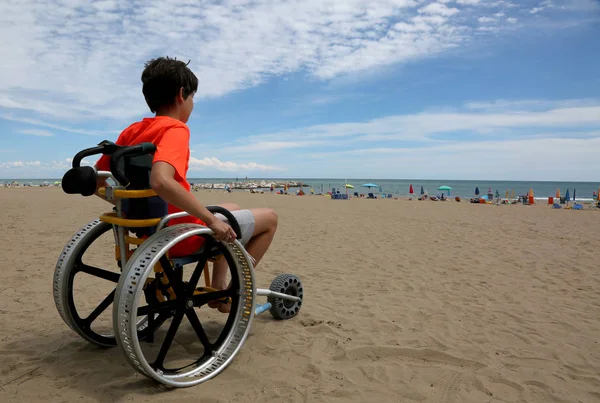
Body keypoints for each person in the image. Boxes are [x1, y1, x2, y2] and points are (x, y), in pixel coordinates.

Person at [93, 56, 278, 313]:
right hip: (180, 235)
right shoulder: (175, 129)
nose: (192, 105)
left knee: (231, 206)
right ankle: (232, 291)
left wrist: (128, 203)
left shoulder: (132, 132)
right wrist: (210, 221)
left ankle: (218, 287)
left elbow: (97, 179)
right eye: (193, 98)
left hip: (148, 231)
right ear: (182, 95)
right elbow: (161, 180)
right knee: (269, 218)